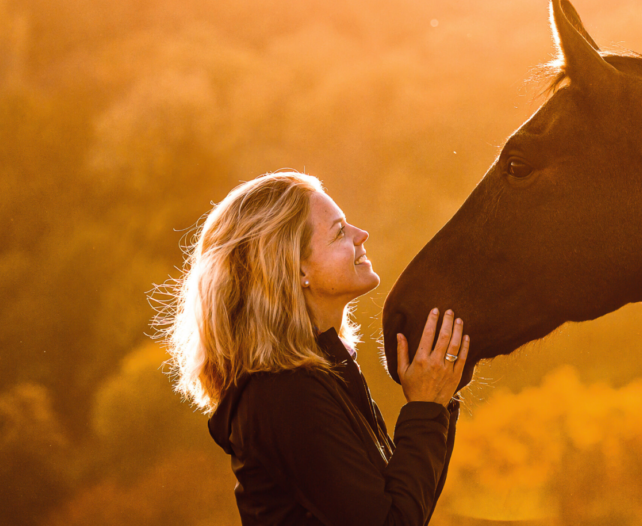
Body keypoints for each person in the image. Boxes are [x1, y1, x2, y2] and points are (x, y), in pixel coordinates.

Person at [158, 171, 468, 525]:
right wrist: (426, 408)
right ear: (295, 268)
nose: (360, 235)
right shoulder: (285, 394)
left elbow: (406, 506)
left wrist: (437, 402)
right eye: (339, 232)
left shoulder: (321, 375)